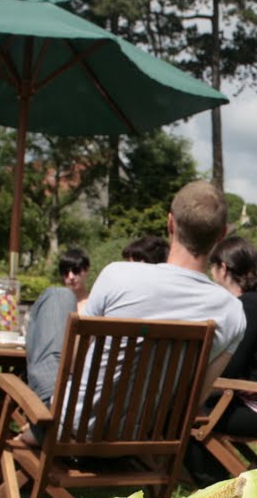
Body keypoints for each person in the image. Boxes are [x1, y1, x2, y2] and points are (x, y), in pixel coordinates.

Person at [48, 182, 246, 435]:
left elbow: (74, 360)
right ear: (221, 235)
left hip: (74, 432)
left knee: (54, 297)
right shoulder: (232, 312)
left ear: (170, 224)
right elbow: (193, 399)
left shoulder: (117, 275)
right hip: (144, 438)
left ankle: (37, 429)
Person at [186, 235, 257, 484]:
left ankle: (210, 485)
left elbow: (231, 367)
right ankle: (214, 481)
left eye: (212, 267)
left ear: (223, 268)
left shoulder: (248, 307)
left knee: (187, 416)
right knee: (195, 408)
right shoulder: (252, 303)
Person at [25, 247, 94, 403]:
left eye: (76, 270)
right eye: (65, 272)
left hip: (75, 376)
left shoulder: (93, 306)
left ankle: (43, 406)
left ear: (87, 270)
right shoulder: (54, 308)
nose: (70, 277)